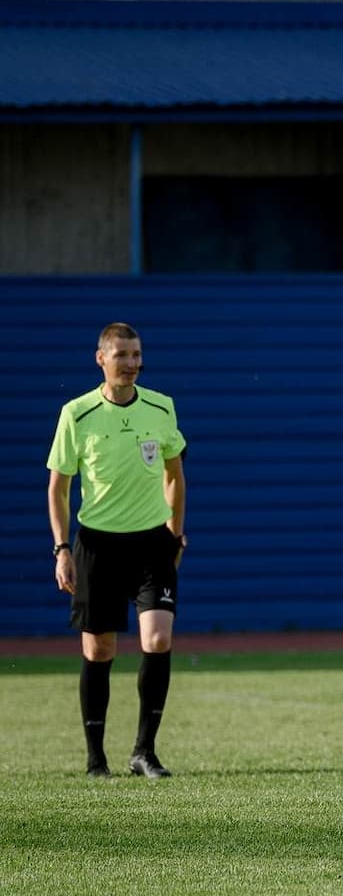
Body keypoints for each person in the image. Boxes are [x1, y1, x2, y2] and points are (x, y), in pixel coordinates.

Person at [46, 323, 188, 779]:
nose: (131, 363)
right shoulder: (77, 413)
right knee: (99, 649)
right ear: (101, 359)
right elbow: (58, 487)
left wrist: (175, 533)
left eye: (136, 354)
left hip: (152, 543)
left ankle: (144, 752)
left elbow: (174, 475)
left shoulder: (161, 407)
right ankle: (96, 759)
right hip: (97, 545)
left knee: (158, 639)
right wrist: (62, 548)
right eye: (121, 355)